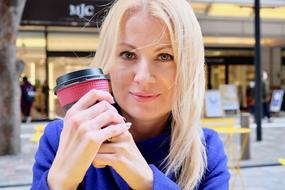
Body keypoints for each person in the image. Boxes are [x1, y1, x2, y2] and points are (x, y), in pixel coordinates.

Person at [31, 0, 230, 189]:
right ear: (107, 63)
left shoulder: (206, 150)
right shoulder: (62, 138)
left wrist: (146, 181)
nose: (143, 77)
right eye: (128, 55)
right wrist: (60, 182)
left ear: (189, 67)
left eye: (164, 56)